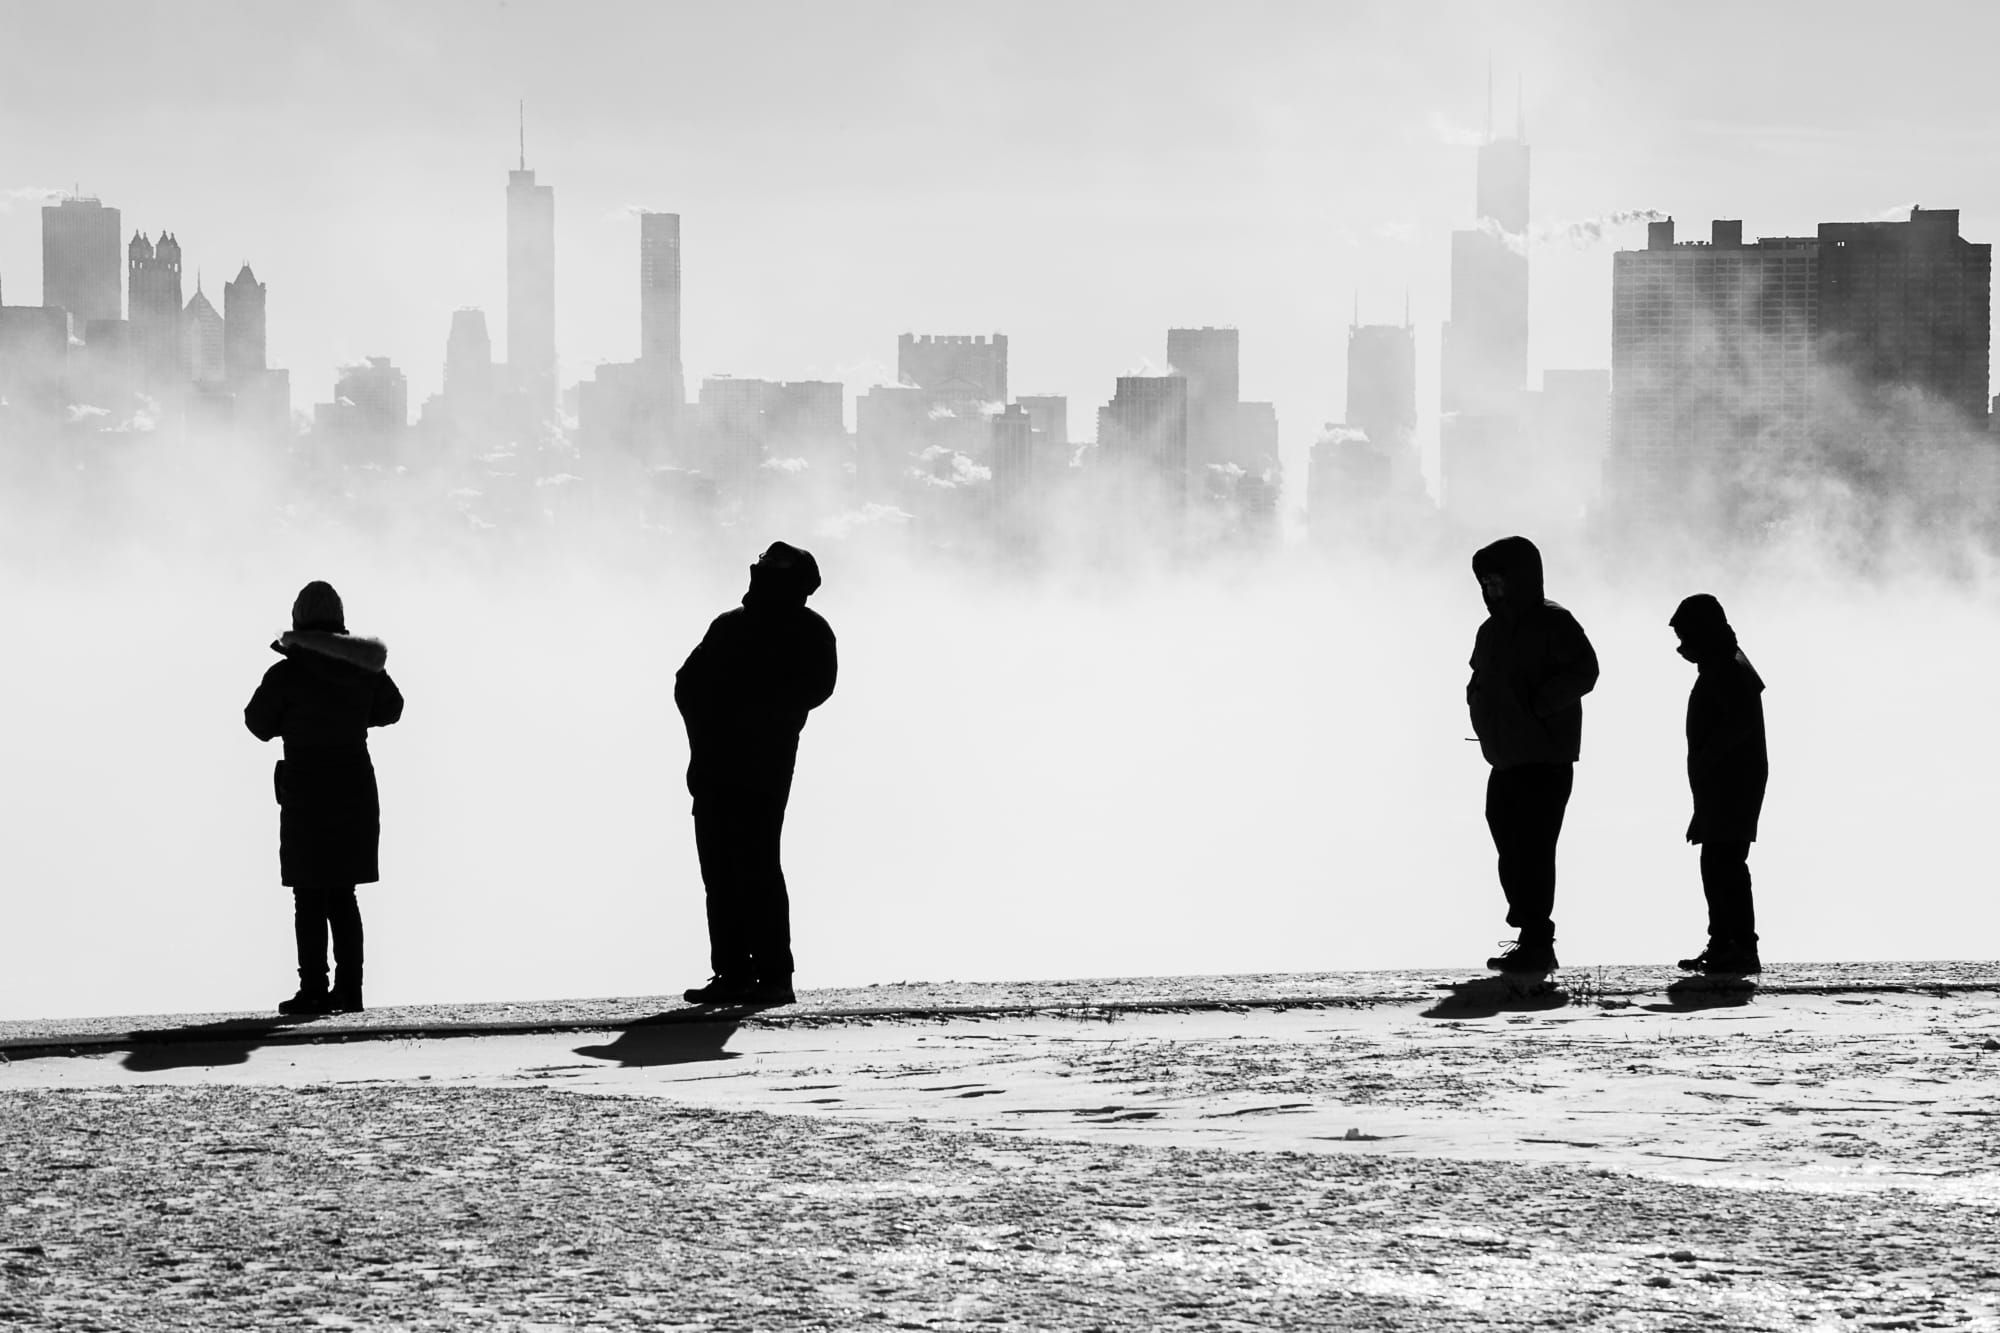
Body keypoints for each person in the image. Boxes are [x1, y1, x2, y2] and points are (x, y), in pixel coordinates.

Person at [675, 542, 837, 1006]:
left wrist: (749, 712)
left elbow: (812, 689)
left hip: (761, 772)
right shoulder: (729, 627)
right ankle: (733, 973)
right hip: (715, 769)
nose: (755, 576)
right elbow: (687, 684)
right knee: (721, 873)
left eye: (765, 572)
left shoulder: (807, 631)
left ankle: (772, 975)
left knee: (756, 867)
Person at [245, 582, 404, 1015]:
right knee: (343, 894)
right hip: (353, 790)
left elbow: (258, 723)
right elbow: (391, 708)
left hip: (307, 792)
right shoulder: (363, 668)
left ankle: (313, 988)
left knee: (309, 895)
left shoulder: (288, 673)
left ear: (298, 619)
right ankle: (350, 990)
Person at [1466, 536, 1599, 973]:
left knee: (1535, 848)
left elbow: (1585, 671)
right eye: (1485, 583)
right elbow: (1478, 681)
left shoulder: (1553, 621)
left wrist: (1541, 706)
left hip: (1545, 759)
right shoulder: (1490, 631)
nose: (1491, 590)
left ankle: (1537, 938)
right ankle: (1527, 924)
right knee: (1507, 840)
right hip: (1504, 758)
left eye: (1497, 581)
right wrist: (1482, 719)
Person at [1669, 594, 1767, 975]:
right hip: (1725, 784)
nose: (1680, 646)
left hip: (1732, 785)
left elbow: (1734, 730)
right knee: (1719, 863)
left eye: (1684, 635)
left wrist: (1710, 774)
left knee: (1723, 863)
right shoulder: (1724, 663)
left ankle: (1738, 946)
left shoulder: (1727, 668)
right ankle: (1726, 943)